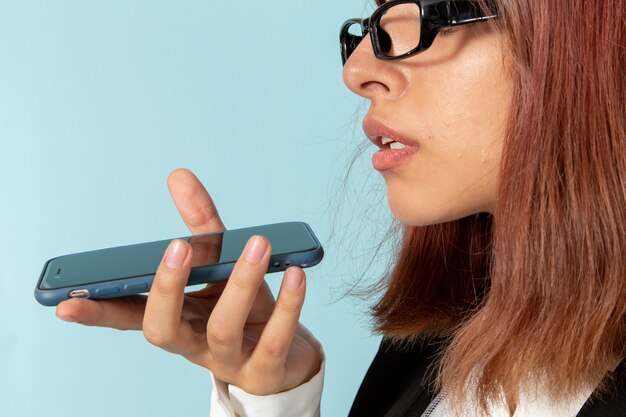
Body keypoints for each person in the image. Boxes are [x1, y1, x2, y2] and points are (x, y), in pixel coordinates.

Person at [55, 0, 625, 415]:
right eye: (377, 14)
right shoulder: (435, 346)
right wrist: (277, 398)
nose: (356, 72)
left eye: (427, 10)